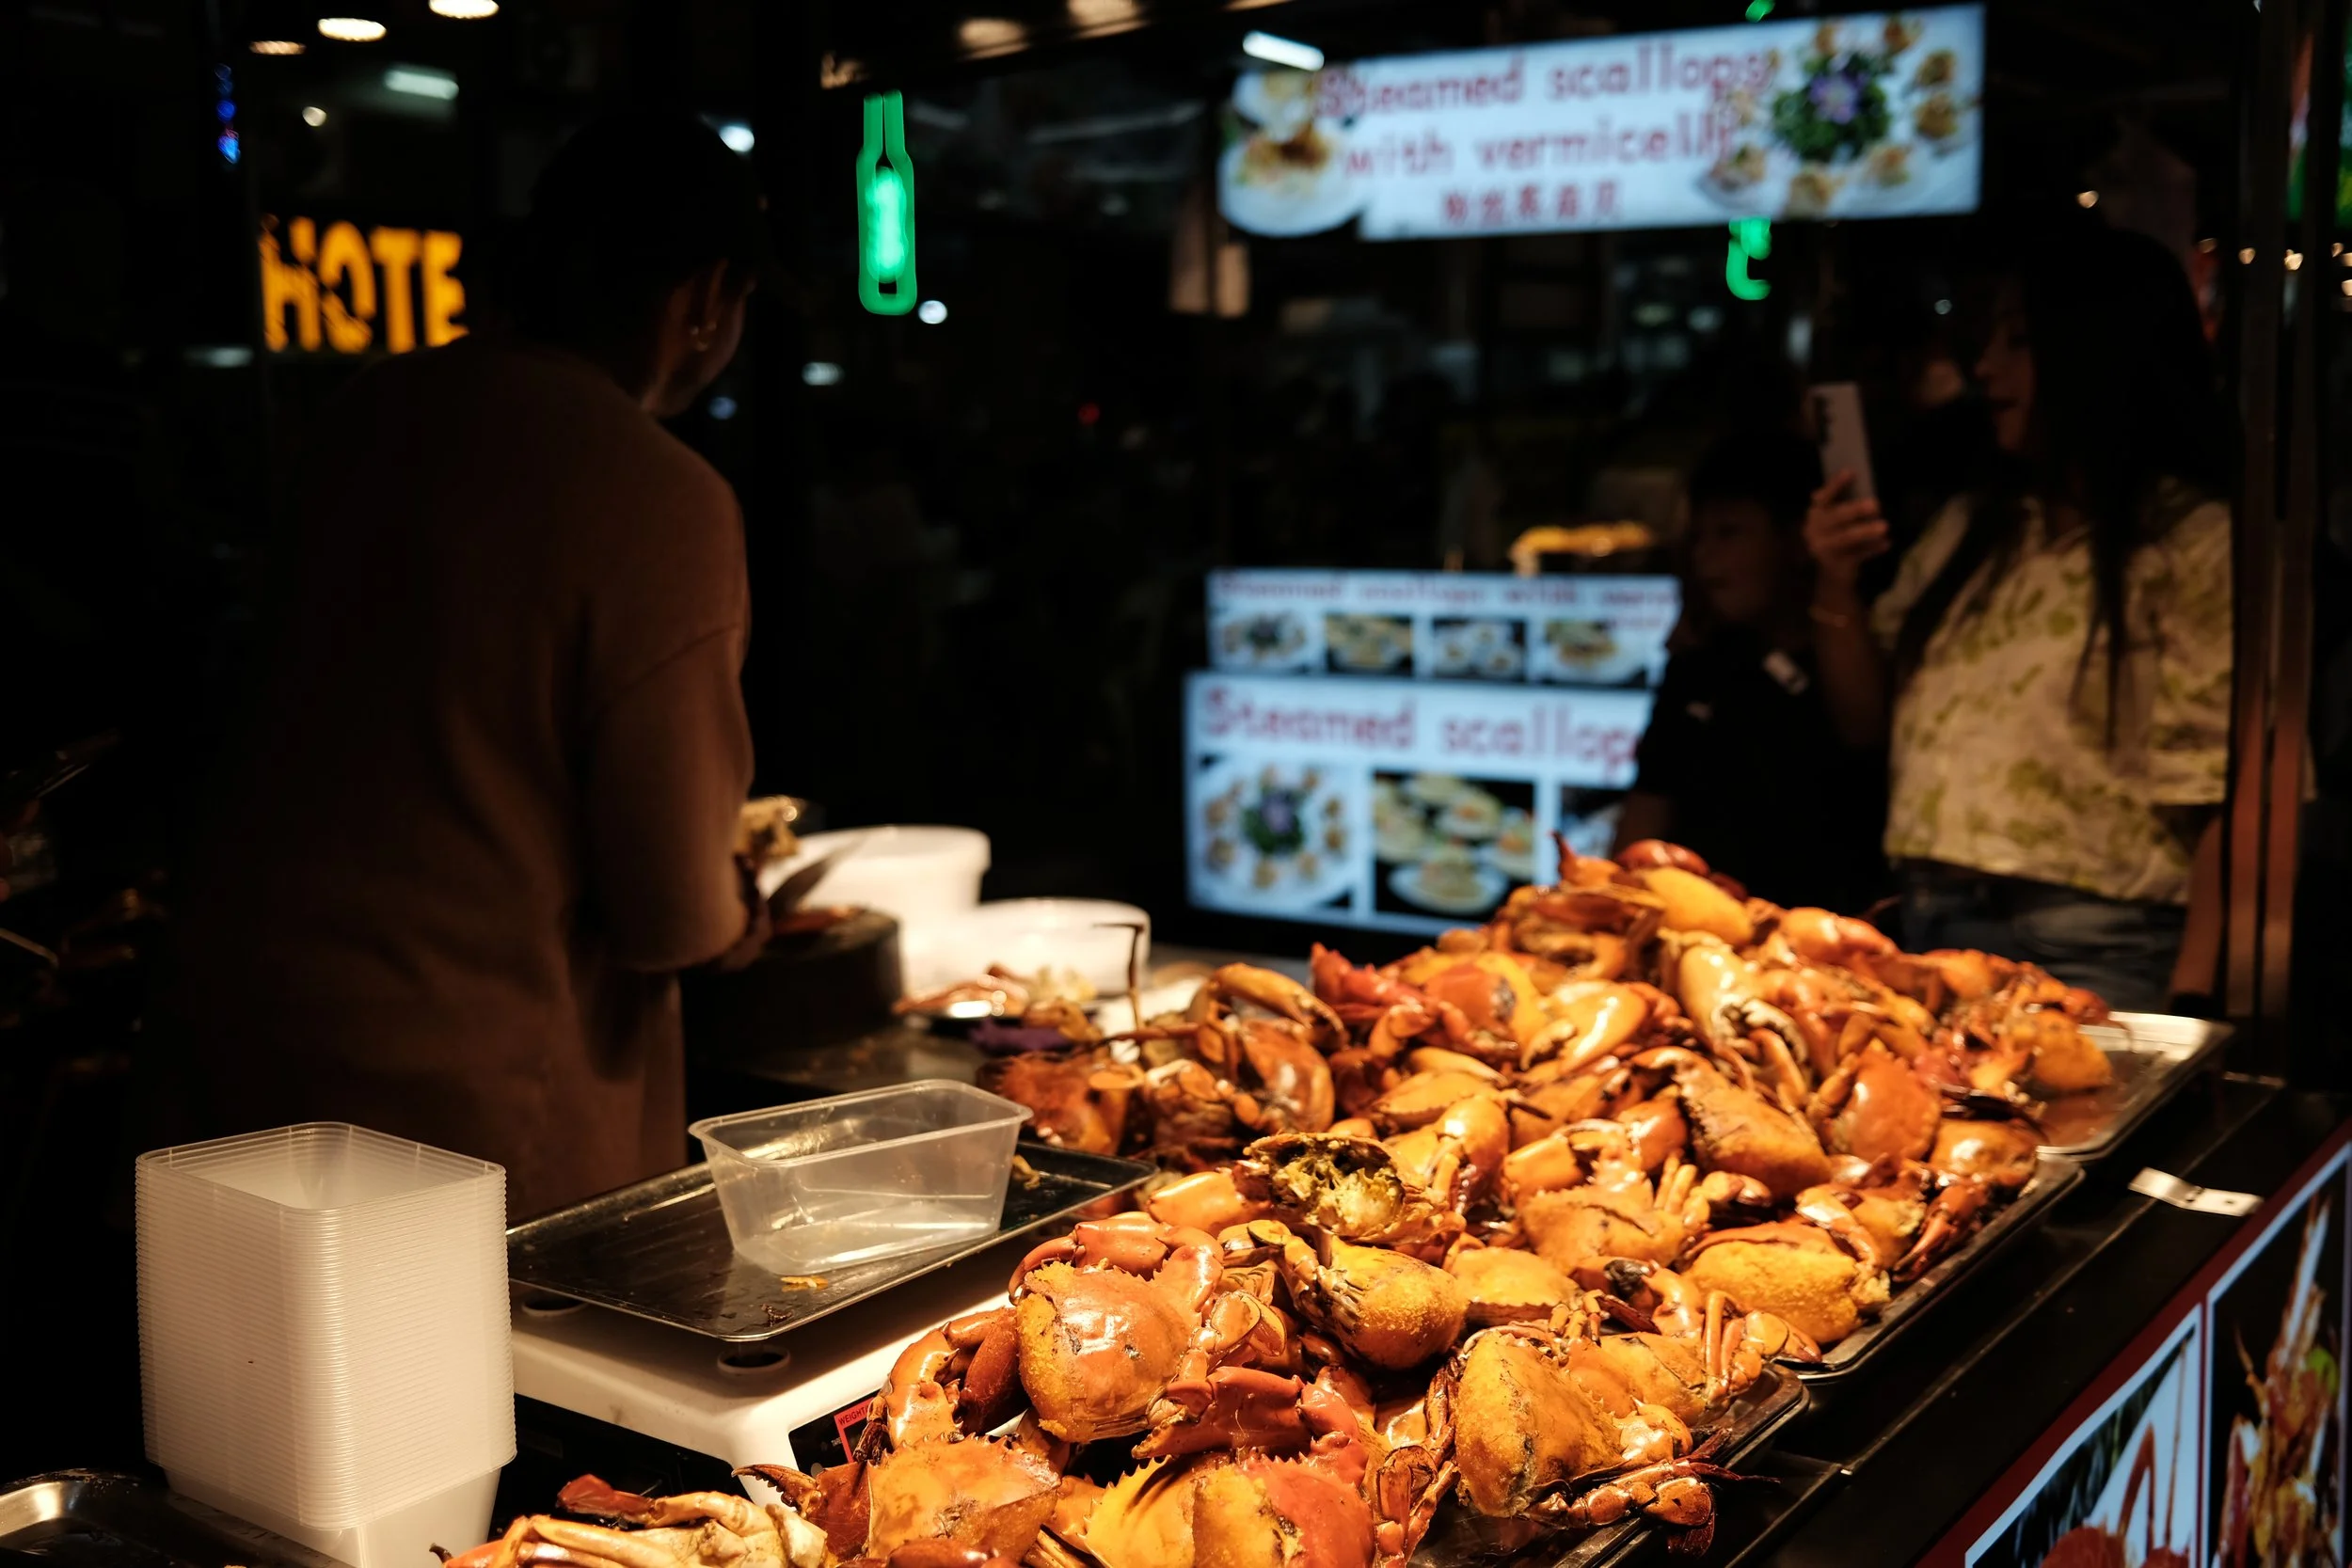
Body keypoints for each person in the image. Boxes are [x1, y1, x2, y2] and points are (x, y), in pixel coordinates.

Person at [163, 114, 774, 1217]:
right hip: (465, 1105)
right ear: (703, 298)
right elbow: (672, 907)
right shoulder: (655, 492)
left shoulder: (366, 415)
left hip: (241, 1048)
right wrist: (740, 909)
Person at [1804, 220, 2232, 1011]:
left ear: (2100, 357)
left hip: (2097, 938)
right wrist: (1834, 584)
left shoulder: (2195, 541)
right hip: (1933, 920)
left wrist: (2197, 997)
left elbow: (2230, 799)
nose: (1985, 367)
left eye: (2020, 342)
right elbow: (1866, 722)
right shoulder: (1978, 527)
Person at [1615, 430, 1886, 912]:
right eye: (1697, 537)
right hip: (1697, 930)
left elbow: (1865, 733)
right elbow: (1646, 809)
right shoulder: (1698, 667)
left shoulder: (1854, 657)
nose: (1706, 557)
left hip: (1828, 932)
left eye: (1729, 533)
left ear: (1799, 541)